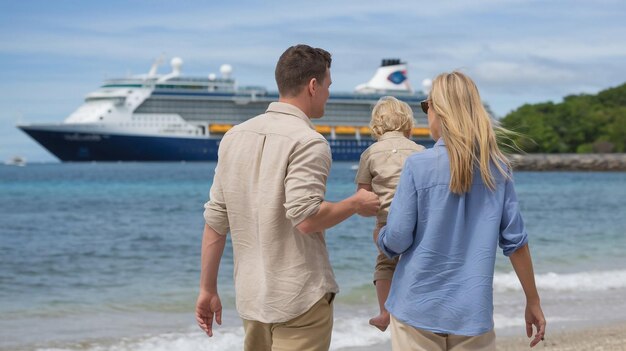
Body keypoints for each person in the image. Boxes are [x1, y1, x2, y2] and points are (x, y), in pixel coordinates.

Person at [196, 44, 380, 351]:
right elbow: (306, 217)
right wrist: (356, 203)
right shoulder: (309, 141)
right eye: (328, 86)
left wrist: (207, 288)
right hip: (301, 299)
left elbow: (216, 220)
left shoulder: (234, 136)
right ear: (312, 86)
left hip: (252, 299)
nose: (328, 94)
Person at [377, 71, 546, 350]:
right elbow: (516, 244)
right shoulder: (499, 169)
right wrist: (533, 301)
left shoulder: (418, 166)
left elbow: (397, 239)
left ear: (439, 110)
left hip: (416, 308)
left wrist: (380, 235)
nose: (425, 113)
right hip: (472, 313)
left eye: (426, 106)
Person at [354, 96, 425, 331]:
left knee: (385, 262)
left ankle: (385, 313)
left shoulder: (370, 154)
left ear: (376, 125)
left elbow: (363, 197)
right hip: (420, 221)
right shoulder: (421, 151)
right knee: (419, 260)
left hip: (388, 223)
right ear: (408, 123)